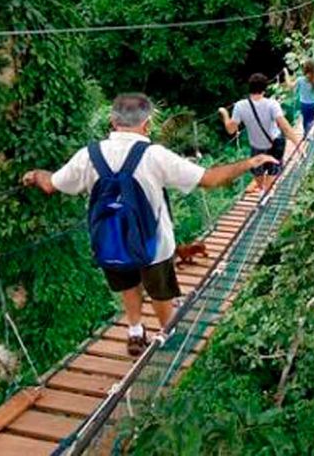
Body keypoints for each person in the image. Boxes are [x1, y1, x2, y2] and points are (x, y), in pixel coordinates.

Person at [22, 93, 277, 356]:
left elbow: (52, 184)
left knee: (127, 283)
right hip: (154, 245)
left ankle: (134, 331)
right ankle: (168, 334)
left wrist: (36, 174)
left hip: (110, 242)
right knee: (160, 291)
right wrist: (249, 162)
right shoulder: (155, 155)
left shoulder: (89, 155)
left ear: (112, 120)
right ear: (147, 124)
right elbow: (210, 179)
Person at [218, 73, 300, 193]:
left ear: (249, 88)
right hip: (275, 143)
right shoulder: (272, 104)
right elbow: (286, 128)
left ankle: (262, 189)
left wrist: (225, 114)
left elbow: (231, 130)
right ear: (264, 89)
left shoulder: (240, 106)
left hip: (257, 147)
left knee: (258, 174)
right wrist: (298, 146)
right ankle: (266, 192)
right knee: (272, 174)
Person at [285, 59, 314, 137]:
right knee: (312, 119)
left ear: (304, 69)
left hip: (305, 105)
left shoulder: (300, 80)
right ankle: (311, 132)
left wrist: (286, 73)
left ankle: (306, 134)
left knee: (305, 120)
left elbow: (290, 85)